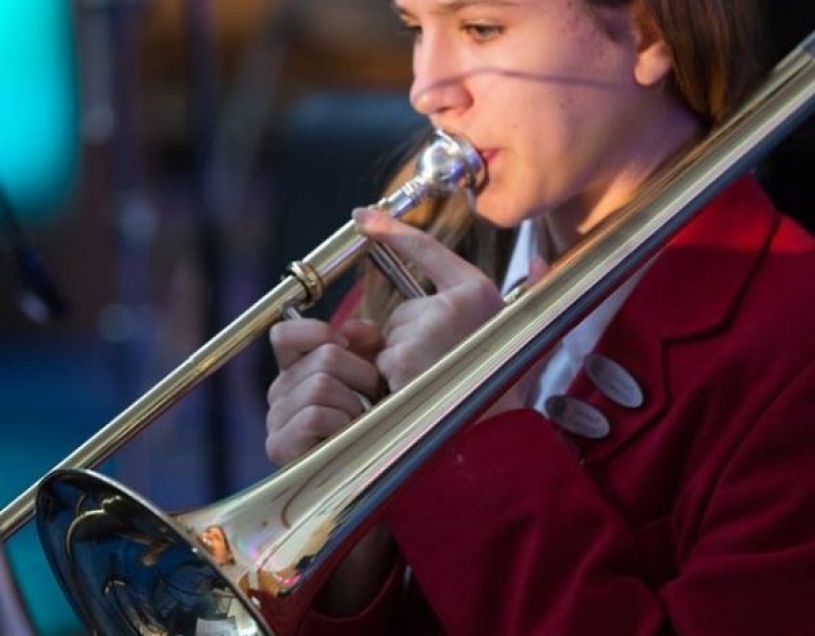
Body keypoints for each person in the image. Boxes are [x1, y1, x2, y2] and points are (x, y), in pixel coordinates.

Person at [264, 0, 815, 634]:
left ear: (647, 34)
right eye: (416, 29)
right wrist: (350, 549)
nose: (427, 92)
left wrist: (473, 429)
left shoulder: (793, 341)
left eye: (480, 29)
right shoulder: (417, 268)